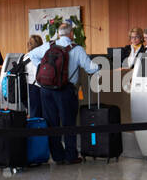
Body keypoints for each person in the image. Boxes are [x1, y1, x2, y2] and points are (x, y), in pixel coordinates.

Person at [26, 23, 100, 165]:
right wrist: (99, 67)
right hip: (66, 90)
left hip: (46, 90)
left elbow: (31, 55)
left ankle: (58, 156)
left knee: (52, 123)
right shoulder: (77, 49)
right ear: (71, 33)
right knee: (68, 122)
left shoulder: (48, 45)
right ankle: (71, 156)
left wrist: (42, 69)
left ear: (59, 34)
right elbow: (90, 69)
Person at [23, 33, 44, 118]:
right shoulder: (38, 57)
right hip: (36, 88)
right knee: (37, 114)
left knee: (31, 113)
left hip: (25, 88)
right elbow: (39, 74)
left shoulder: (25, 57)